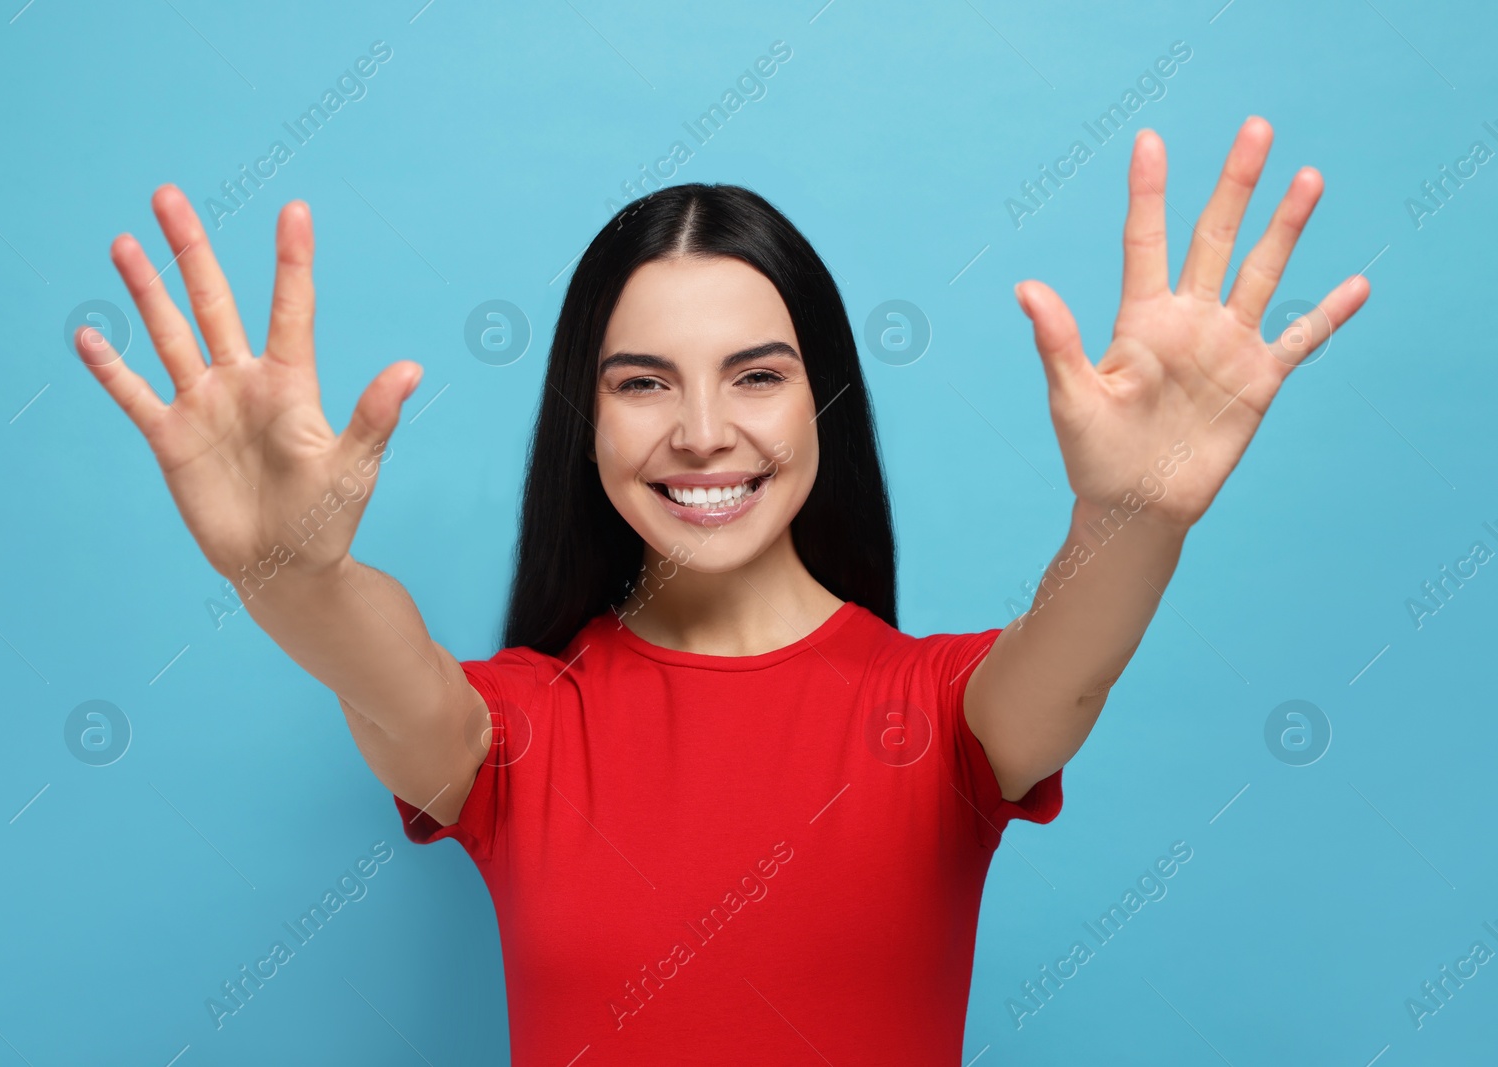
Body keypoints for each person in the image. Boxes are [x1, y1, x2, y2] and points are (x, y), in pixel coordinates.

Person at [76, 115, 1368, 1064]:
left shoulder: (946, 715)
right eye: (643, 382)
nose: (702, 432)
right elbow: (381, 663)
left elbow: (1075, 651)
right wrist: (289, 575)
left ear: (825, 403)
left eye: (756, 375)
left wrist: (1131, 520)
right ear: (585, 418)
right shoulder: (517, 735)